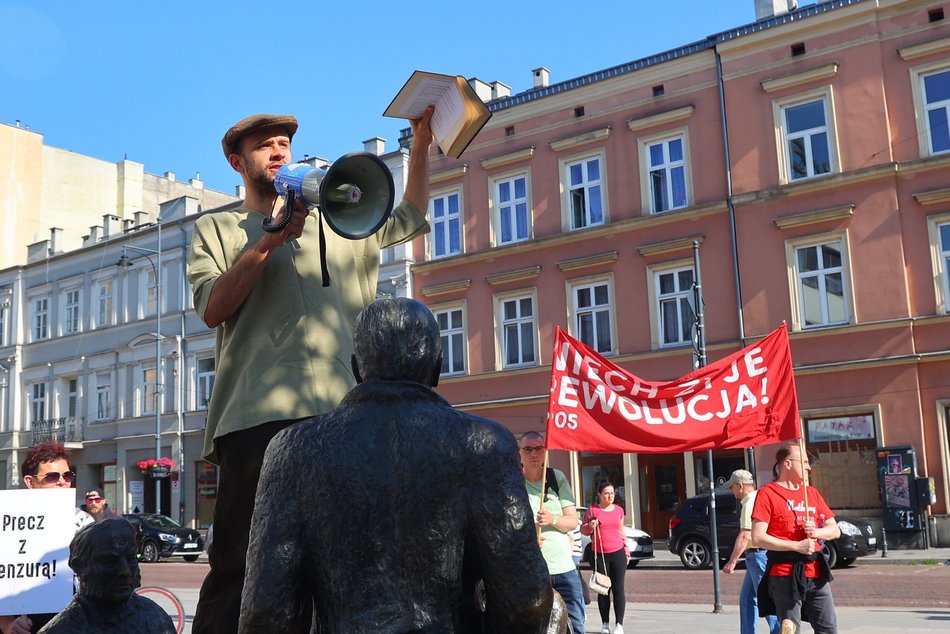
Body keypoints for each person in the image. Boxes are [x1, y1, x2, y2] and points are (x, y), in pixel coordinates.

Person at [186, 109, 434, 634]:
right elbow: (213, 308)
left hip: (344, 415)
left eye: (283, 144)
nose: (278, 152)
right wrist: (267, 243)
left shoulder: (343, 219)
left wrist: (424, 144)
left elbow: (409, 212)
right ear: (237, 161)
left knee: (350, 562)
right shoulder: (217, 227)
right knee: (240, 563)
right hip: (257, 416)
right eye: (263, 146)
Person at [239, 298, 562, 633]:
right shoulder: (484, 444)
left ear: (356, 369)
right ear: (437, 368)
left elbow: (264, 611)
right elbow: (528, 600)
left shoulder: (293, 450)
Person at [0, 441, 94, 634]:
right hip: (26, 624)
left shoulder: (83, 522)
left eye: (67, 475)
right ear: (29, 482)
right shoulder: (9, 519)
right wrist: (7, 623)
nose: (62, 481)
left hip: (76, 622)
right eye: (52, 476)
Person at [752, 443, 840, 634]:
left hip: (816, 574)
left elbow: (835, 530)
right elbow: (758, 537)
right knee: (790, 630)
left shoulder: (812, 494)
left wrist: (817, 532)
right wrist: (796, 546)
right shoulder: (767, 494)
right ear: (788, 464)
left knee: (829, 629)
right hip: (784, 575)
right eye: (805, 462)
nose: (809, 467)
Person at [39, 518, 175, 633]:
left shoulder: (156, 617)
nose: (125, 571)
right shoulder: (63, 629)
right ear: (80, 566)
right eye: (110, 562)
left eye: (130, 558)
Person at [519, 431, 585, 634]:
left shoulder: (556, 478)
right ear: (519, 454)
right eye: (528, 449)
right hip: (534, 570)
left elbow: (572, 520)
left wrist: (553, 519)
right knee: (536, 627)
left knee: (576, 625)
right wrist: (526, 540)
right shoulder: (513, 484)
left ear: (545, 452)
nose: (533, 454)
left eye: (539, 448)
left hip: (565, 569)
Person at [722, 469, 780, 634]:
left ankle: (778, 631)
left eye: (732, 486)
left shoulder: (749, 503)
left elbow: (745, 535)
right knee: (747, 599)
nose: (731, 490)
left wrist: (732, 561)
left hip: (757, 555)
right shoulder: (761, 497)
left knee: (767, 600)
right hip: (757, 556)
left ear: (740, 486)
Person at [581, 481, 628, 634]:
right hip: (599, 555)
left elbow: (621, 532)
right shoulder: (592, 510)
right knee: (603, 590)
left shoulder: (619, 510)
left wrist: (626, 551)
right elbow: (584, 530)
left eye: (612, 493)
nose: (610, 496)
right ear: (599, 495)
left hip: (618, 553)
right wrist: (590, 526)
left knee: (618, 589)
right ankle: (605, 624)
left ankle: (619, 625)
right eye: (606, 493)